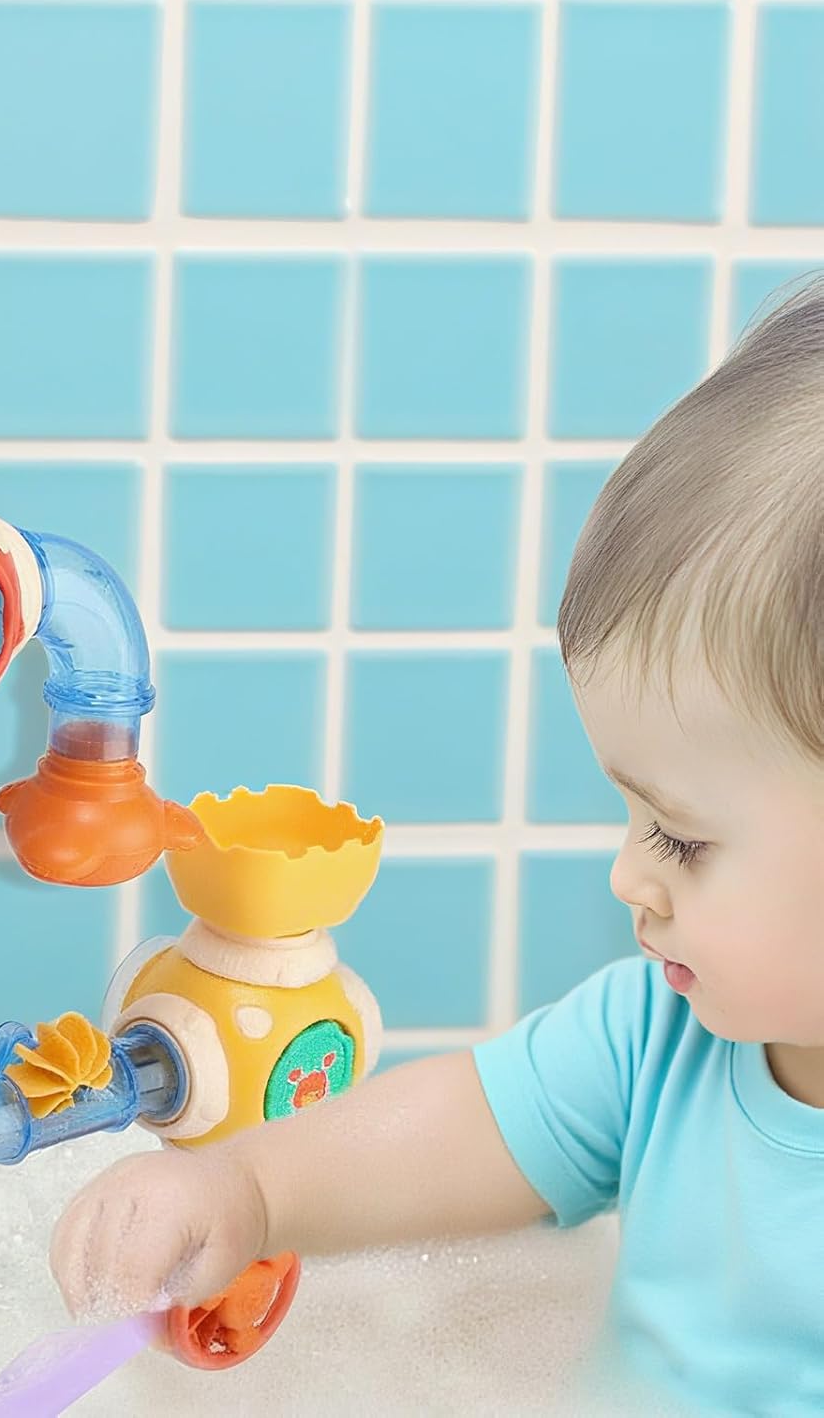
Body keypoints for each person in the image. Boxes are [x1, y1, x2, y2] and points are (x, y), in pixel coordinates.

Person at [50, 282, 824, 1414]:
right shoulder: (658, 1045)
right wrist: (246, 1191)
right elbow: (457, 1130)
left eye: (682, 837)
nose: (629, 876)